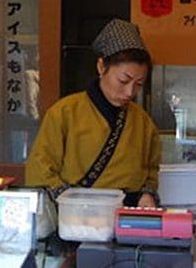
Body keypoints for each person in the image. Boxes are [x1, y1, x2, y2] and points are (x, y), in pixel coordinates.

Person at [25, 19, 161, 208]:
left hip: (125, 218)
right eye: (123, 80)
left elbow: (151, 172)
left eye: (138, 84)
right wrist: (71, 203)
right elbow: (40, 170)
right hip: (73, 218)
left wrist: (147, 195)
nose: (130, 92)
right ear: (101, 67)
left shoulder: (143, 122)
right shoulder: (64, 113)